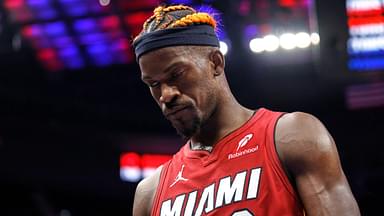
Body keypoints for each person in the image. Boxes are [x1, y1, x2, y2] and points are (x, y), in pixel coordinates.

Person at [132, 4, 360, 216]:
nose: (166, 95)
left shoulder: (291, 137)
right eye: (153, 84)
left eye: (176, 74)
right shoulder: (149, 194)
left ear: (216, 63)